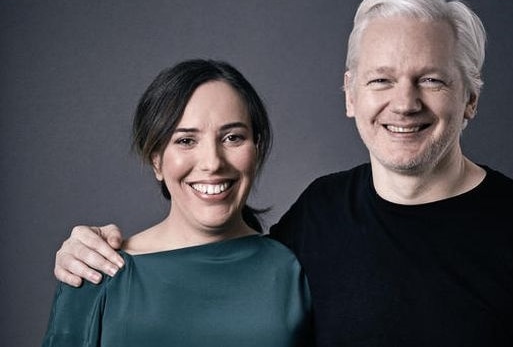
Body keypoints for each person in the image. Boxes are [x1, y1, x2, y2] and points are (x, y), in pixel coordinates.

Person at [52, 0, 513, 346]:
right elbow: (214, 266)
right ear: (349, 95)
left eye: (433, 79)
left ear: (470, 99)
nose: (405, 102)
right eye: (381, 79)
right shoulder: (315, 217)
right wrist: (91, 249)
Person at [42, 59, 313, 346]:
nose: (212, 163)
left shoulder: (293, 270)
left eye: (233, 137)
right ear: (156, 159)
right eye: (186, 141)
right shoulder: (96, 267)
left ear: (256, 149)